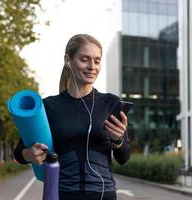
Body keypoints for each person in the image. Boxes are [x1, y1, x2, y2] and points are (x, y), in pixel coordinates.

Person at [14, 34, 131, 200]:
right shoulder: (48, 107)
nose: (92, 66)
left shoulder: (111, 103)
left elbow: (124, 158)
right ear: (68, 60)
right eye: (85, 59)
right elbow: (19, 153)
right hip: (62, 195)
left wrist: (118, 140)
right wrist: (30, 154)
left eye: (97, 61)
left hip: (105, 196)